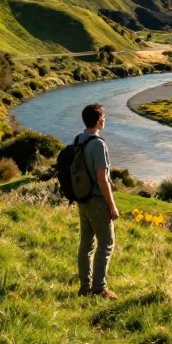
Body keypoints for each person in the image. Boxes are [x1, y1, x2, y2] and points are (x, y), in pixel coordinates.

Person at [75, 103, 120, 298]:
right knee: (106, 243)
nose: (105, 120)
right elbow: (103, 180)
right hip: (96, 201)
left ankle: (85, 286)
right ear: (99, 120)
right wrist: (112, 205)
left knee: (86, 244)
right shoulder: (98, 144)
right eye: (104, 117)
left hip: (82, 199)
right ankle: (99, 288)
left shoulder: (78, 139)